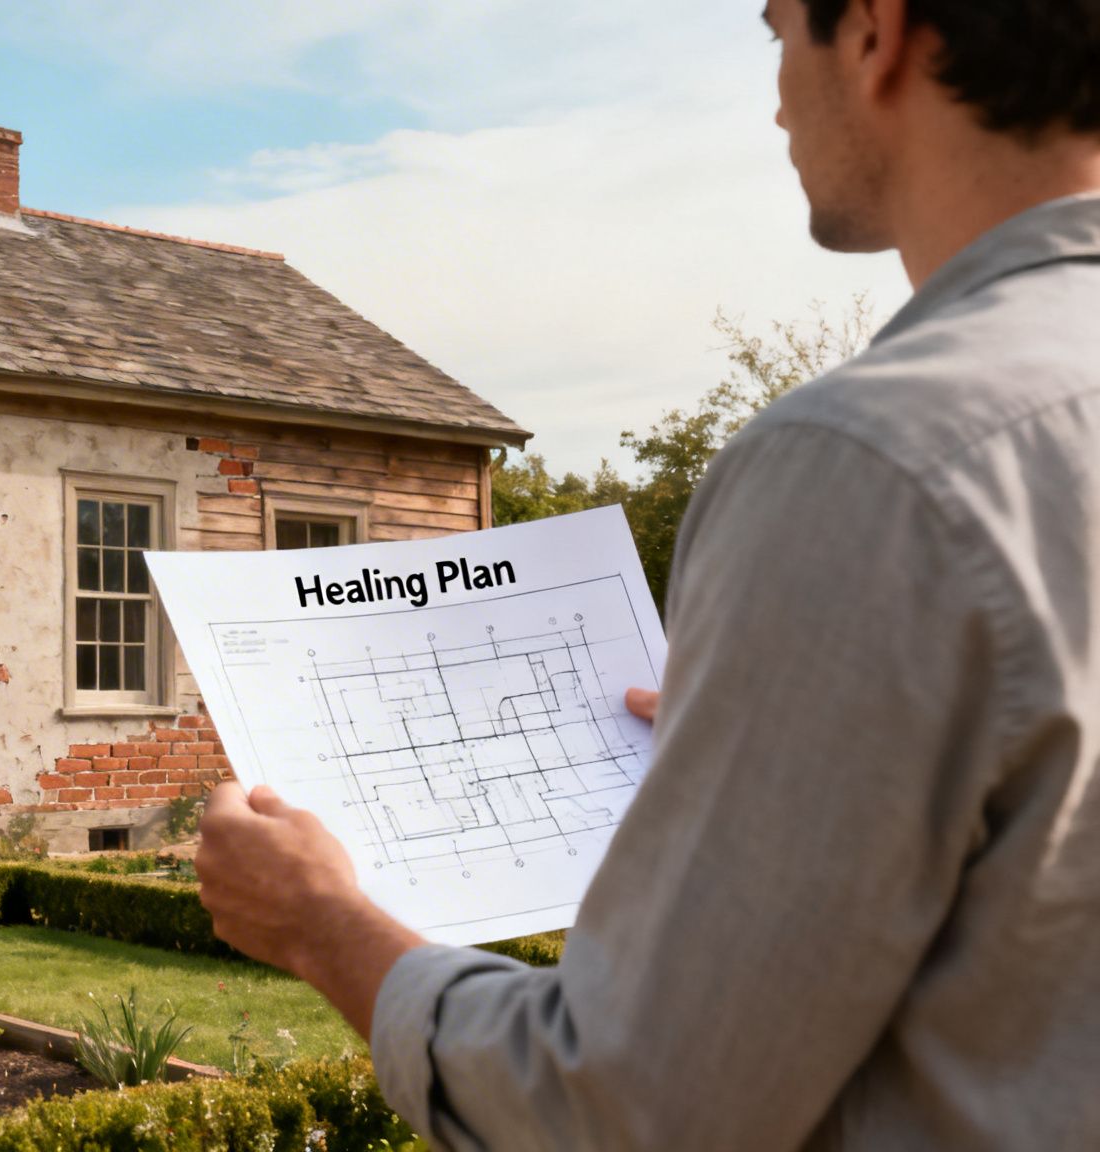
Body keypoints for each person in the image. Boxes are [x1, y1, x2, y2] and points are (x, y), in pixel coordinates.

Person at [196, 1, 1100, 1148]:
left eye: (775, 28)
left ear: (873, 32)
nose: (772, 97)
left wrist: (320, 922)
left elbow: (628, 1104)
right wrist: (786, 735)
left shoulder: (867, 463)